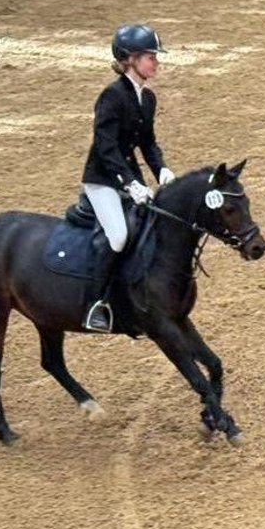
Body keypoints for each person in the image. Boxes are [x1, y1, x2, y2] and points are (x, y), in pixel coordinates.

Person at [79, 23, 176, 332]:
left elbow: (147, 141)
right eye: (151, 57)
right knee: (119, 235)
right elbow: (105, 147)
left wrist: (160, 169)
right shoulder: (111, 96)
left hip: (127, 177)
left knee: (149, 226)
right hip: (102, 179)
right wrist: (130, 183)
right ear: (130, 59)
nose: (156, 63)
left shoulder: (147, 99)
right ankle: (96, 303)